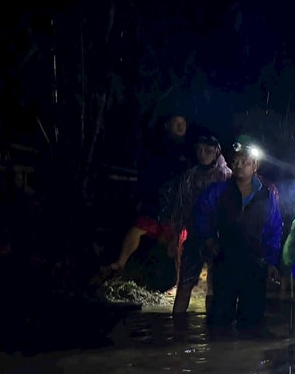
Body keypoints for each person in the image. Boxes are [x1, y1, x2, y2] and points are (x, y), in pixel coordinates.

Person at [194, 138, 283, 335]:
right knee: (219, 319)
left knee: (251, 321)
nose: (240, 165)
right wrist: (208, 239)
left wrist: (271, 262)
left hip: (254, 263)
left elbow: (273, 229)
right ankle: (218, 360)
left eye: (246, 161)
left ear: (255, 166)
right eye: (236, 161)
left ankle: (246, 362)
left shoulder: (266, 196)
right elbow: (201, 214)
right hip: (225, 260)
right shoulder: (218, 192)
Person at [103, 114, 192, 280]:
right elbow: (150, 171)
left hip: (174, 202)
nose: (181, 127)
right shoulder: (158, 145)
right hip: (156, 198)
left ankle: (182, 281)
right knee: (139, 227)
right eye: (177, 123)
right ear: (167, 125)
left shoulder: (186, 150)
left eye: (183, 124)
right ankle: (120, 263)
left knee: (176, 241)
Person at [171, 134, 233, 314]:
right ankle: (177, 333)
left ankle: (213, 331)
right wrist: (175, 236)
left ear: (216, 152)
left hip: (218, 239)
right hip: (194, 237)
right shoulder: (189, 177)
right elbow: (180, 207)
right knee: (184, 285)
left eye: (208, 150)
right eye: (199, 150)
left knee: (215, 288)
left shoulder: (226, 176)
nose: (202, 154)